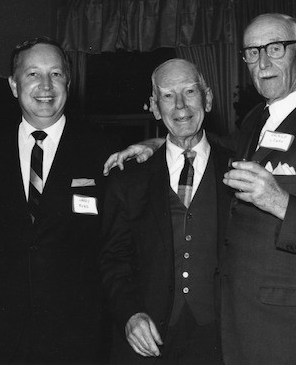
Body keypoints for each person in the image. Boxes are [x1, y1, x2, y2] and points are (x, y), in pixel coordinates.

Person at [104, 13, 296, 364]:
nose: (263, 61)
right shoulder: (256, 120)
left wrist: (280, 202)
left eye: (275, 48)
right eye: (252, 52)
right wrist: (155, 144)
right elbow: (210, 143)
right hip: (241, 332)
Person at [0, 36, 120, 364]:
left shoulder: (104, 149)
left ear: (69, 82)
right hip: (2, 332)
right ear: (13, 85)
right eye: (32, 74)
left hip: (77, 334)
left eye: (56, 74)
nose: (46, 85)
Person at [100, 58, 231, 364]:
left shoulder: (239, 168)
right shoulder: (127, 179)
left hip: (222, 341)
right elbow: (113, 261)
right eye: (168, 96)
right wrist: (130, 315)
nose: (180, 106)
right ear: (155, 107)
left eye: (190, 92)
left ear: (208, 98)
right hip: (152, 342)